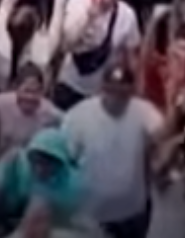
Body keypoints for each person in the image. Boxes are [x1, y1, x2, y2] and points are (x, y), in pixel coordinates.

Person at [62, 65, 157, 237]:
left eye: (123, 93)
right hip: (90, 218)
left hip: (133, 215)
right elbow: (65, 160)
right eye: (111, 90)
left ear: (131, 91)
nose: (116, 97)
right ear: (102, 88)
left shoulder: (144, 110)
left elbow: (161, 134)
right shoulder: (78, 116)